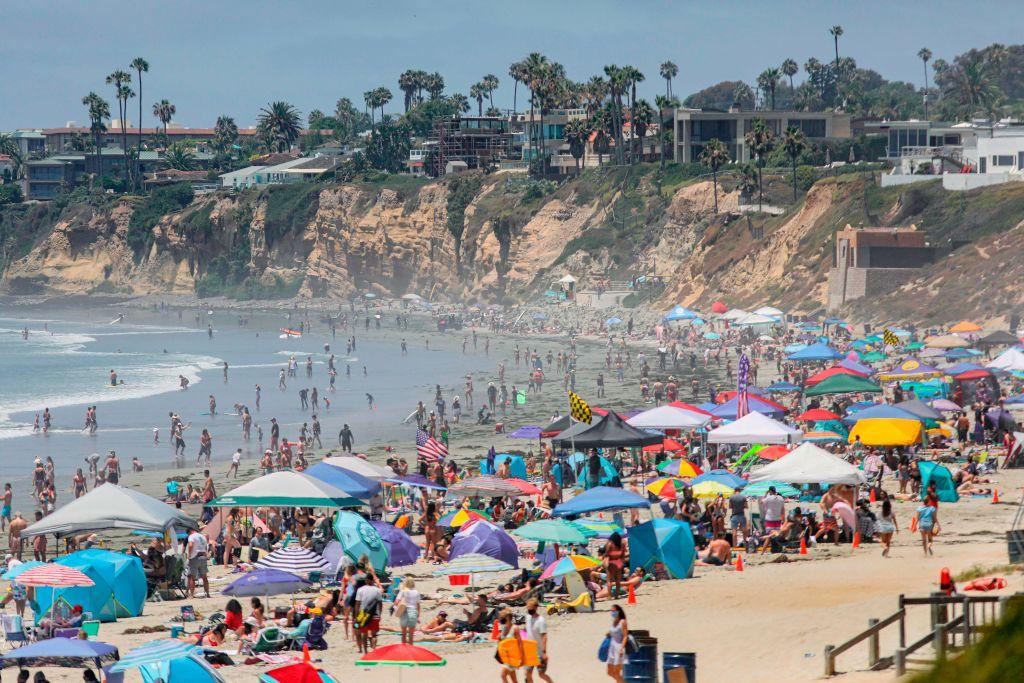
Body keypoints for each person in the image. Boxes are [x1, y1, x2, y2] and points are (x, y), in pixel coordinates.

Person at [525, 597, 553, 683]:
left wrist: (544, 653)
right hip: (530, 652)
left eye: (530, 607)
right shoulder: (527, 617)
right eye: (528, 607)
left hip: (539, 653)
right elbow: (526, 630)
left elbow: (544, 637)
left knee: (541, 674)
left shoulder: (541, 620)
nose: (529, 609)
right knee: (527, 673)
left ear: (536, 607)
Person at [605, 604, 628, 683]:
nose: (612, 612)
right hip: (612, 648)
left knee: (616, 672)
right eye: (611, 611)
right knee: (610, 672)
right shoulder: (614, 621)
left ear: (618, 611)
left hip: (619, 648)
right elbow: (614, 632)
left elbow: (625, 636)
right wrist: (609, 633)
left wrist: (622, 648)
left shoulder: (622, 622)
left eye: (614, 611)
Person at [395, 576, 420, 645]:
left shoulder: (403, 591)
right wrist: (418, 616)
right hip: (413, 612)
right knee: (411, 636)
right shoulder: (416, 592)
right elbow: (418, 605)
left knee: (404, 634)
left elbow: (396, 602)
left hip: (404, 612)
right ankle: (410, 651)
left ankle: (404, 651)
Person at [186, 529, 210, 598]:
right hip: (203, 556)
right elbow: (205, 547)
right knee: (204, 577)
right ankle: (207, 593)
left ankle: (191, 595)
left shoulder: (191, 536)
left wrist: (189, 554)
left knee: (192, 577)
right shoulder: (202, 536)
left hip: (195, 557)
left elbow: (190, 545)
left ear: (190, 532)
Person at [603, 532, 627, 599]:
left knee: (609, 580)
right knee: (618, 581)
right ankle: (617, 595)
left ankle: (609, 595)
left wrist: (604, 558)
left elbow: (607, 553)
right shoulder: (622, 544)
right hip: (619, 562)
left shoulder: (610, 544)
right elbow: (623, 555)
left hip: (611, 562)